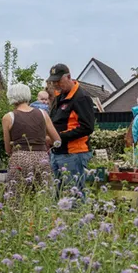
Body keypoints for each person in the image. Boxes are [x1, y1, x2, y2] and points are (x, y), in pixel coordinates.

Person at [3, 83, 61, 196]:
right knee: (44, 196)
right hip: (41, 158)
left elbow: (7, 148)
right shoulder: (43, 114)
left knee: (16, 197)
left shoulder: (8, 117)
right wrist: (40, 139)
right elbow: (57, 140)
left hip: (19, 159)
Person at [47, 64, 95, 197]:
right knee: (56, 195)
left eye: (59, 81)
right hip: (57, 152)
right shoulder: (59, 97)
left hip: (74, 153)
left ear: (68, 77)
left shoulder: (81, 98)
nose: (56, 84)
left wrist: (58, 138)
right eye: (53, 81)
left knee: (75, 196)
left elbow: (87, 127)